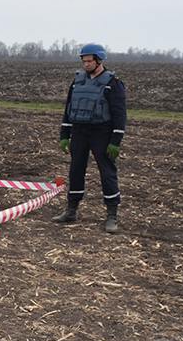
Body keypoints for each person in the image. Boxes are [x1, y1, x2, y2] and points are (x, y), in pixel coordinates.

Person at [53, 43, 127, 233]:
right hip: (79, 131)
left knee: (107, 172)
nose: (85, 64)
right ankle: (71, 210)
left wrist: (115, 141)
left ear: (99, 61)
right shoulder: (77, 81)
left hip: (102, 133)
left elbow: (120, 114)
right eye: (83, 61)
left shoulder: (113, 83)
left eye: (89, 61)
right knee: (76, 169)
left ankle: (112, 215)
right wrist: (64, 135)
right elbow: (68, 109)